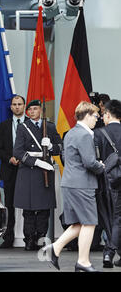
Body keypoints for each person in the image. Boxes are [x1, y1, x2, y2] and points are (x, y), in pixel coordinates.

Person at [43, 101, 105, 272]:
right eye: (95, 116)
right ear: (86, 115)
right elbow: (90, 162)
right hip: (82, 184)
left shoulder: (70, 133)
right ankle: (83, 262)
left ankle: (54, 249)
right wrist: (102, 166)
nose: (96, 119)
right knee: (90, 222)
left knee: (79, 223)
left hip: (70, 183)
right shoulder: (85, 135)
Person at [13, 99, 62, 251]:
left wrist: (52, 146)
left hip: (45, 172)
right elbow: (18, 152)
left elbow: (60, 147)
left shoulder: (50, 127)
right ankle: (29, 239)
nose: (32, 111)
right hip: (29, 171)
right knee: (28, 210)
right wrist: (37, 162)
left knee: (43, 209)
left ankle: (40, 237)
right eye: (30, 109)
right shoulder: (23, 128)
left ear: (40, 110)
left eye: (35, 109)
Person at [0, 95, 27, 248]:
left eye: (19, 104)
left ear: (24, 106)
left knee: (29, 203)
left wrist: (24, 158)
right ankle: (8, 237)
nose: (16, 107)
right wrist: (10, 158)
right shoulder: (4, 125)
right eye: (14, 104)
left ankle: (30, 237)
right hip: (9, 169)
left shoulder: (30, 124)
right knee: (9, 204)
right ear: (10, 107)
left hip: (27, 169)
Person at [94, 99, 121, 268]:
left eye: (103, 114)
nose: (102, 117)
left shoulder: (99, 133)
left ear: (108, 114)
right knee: (118, 218)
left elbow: (94, 160)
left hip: (106, 182)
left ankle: (109, 253)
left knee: (108, 219)